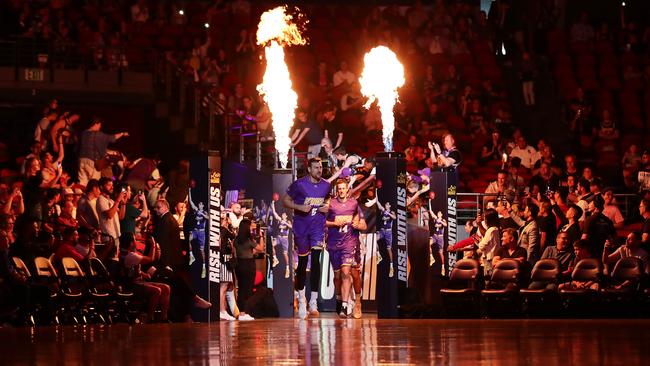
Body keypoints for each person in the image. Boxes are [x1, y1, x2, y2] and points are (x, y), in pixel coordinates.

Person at [282, 157, 331, 319]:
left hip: (317, 228)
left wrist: (327, 207)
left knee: (316, 261)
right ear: (309, 169)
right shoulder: (299, 184)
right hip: (301, 228)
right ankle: (302, 299)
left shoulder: (326, 185)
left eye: (321, 167)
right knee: (302, 264)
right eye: (316, 167)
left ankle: (313, 302)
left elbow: (328, 199)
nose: (319, 170)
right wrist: (299, 207)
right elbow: (285, 201)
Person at [326, 179, 366, 318]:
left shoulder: (354, 204)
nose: (342, 191)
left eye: (344, 188)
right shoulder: (330, 204)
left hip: (350, 243)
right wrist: (333, 223)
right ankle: (339, 298)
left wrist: (357, 225)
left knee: (349, 272)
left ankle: (353, 303)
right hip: (334, 244)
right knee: (337, 276)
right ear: (337, 190)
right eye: (340, 189)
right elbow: (321, 222)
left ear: (348, 189)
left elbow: (363, 225)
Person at [120, 233, 170, 323]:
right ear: (131, 243)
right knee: (156, 291)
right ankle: (149, 319)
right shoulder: (130, 256)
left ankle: (163, 318)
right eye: (135, 240)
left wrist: (143, 274)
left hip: (136, 281)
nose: (137, 241)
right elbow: (150, 259)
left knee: (166, 288)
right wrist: (153, 244)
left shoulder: (129, 254)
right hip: (131, 284)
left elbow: (133, 270)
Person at [77, 118, 129, 186]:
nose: (100, 127)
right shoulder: (97, 134)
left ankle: (81, 196)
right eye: (100, 125)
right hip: (92, 161)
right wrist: (122, 134)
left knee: (82, 184)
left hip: (81, 160)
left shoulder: (83, 133)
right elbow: (112, 138)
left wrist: (114, 179)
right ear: (96, 124)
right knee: (94, 183)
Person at [234, 218, 265, 321]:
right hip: (248, 265)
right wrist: (261, 236)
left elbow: (239, 251)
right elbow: (261, 248)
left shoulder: (236, 239)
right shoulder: (248, 240)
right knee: (247, 289)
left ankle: (242, 312)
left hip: (239, 264)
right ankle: (243, 313)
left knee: (241, 288)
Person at [96, 177, 126, 259]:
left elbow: (121, 217)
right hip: (108, 238)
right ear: (101, 187)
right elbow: (109, 215)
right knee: (109, 260)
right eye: (109, 185)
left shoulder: (111, 201)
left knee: (115, 260)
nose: (112, 187)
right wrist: (118, 200)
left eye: (112, 185)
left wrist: (123, 203)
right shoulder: (100, 199)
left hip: (116, 236)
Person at [188, 188, 208, 278]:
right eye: (199, 204)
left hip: (201, 233)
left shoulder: (204, 212)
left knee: (201, 251)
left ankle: (204, 267)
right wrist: (189, 191)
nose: (199, 205)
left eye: (200, 204)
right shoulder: (196, 210)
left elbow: (208, 218)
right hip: (195, 231)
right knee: (188, 239)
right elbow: (191, 201)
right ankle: (191, 256)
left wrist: (202, 213)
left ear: (203, 205)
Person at [475, 209, 501, 276]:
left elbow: (482, 245)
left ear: (489, 219)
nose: (484, 220)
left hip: (489, 259)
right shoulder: (496, 229)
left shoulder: (491, 230)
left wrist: (479, 242)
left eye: (485, 218)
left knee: (488, 280)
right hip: (492, 257)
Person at [376, 199, 396, 278]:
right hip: (382, 231)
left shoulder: (391, 212)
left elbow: (394, 217)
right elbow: (378, 202)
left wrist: (389, 214)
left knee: (389, 250)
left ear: (390, 206)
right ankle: (378, 255)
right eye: (385, 204)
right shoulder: (383, 210)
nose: (386, 205)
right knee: (374, 240)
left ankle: (391, 266)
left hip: (388, 233)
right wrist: (376, 190)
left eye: (387, 204)